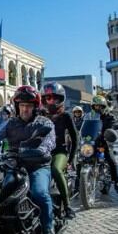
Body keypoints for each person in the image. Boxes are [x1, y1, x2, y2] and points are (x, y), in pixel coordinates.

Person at [0, 85, 58, 234]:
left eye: (29, 106)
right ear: (17, 106)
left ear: (35, 107)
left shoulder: (44, 123)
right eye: (22, 105)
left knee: (39, 193)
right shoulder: (10, 124)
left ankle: (48, 228)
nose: (25, 109)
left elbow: (50, 140)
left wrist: (41, 149)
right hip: (14, 165)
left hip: (38, 165)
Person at [42, 83, 78, 219]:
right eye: (48, 98)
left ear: (60, 99)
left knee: (56, 170)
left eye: (54, 98)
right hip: (42, 153)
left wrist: (71, 158)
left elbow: (75, 138)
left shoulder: (66, 116)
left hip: (59, 152)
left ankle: (68, 206)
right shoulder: (40, 115)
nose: (51, 101)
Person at [84, 96, 118, 193]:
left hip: (105, 144)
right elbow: (84, 128)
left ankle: (116, 182)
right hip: (92, 143)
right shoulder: (89, 117)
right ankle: (78, 185)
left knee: (111, 161)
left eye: (100, 106)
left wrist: (114, 131)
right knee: (82, 159)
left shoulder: (109, 117)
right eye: (95, 106)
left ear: (104, 107)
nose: (97, 108)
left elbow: (115, 126)